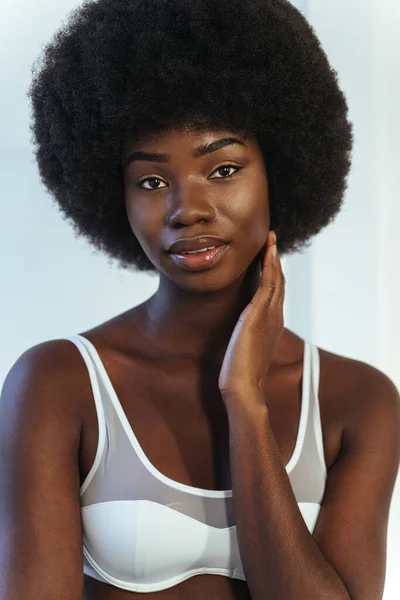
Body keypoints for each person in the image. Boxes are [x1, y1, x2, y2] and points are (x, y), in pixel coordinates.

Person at [1, 0, 399, 598]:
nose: (187, 209)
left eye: (223, 169)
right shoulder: (59, 383)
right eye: (152, 182)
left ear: (279, 169)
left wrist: (245, 400)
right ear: (118, 197)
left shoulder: (359, 401)